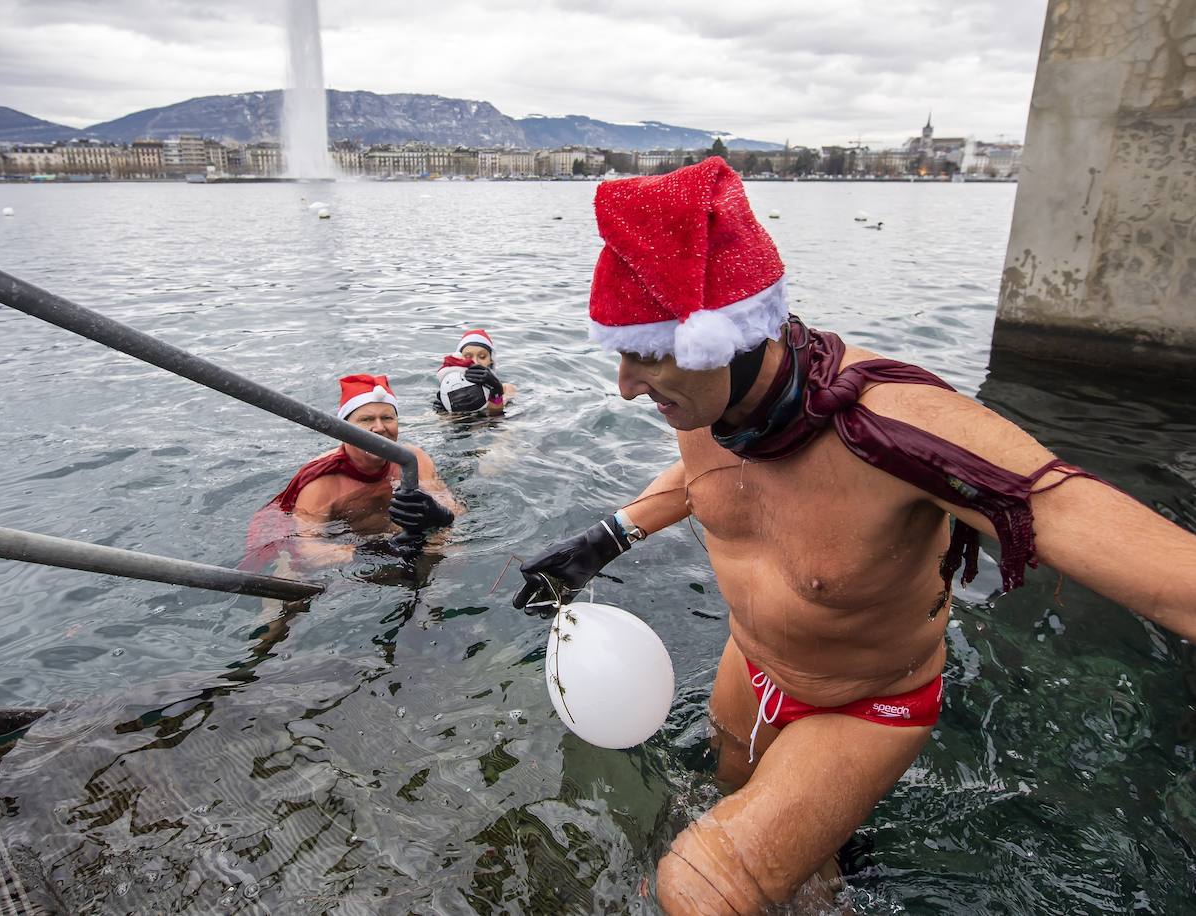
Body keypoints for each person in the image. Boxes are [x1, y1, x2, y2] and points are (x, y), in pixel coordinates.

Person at [510, 157, 1196, 914]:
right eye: (623, 352)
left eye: (646, 354)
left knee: (699, 883)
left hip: (865, 705)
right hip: (750, 667)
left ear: (728, 338)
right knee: (736, 811)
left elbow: (1076, 517)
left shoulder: (899, 429)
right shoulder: (706, 402)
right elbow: (712, 482)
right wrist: (608, 536)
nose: (626, 388)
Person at [242, 373, 458, 573]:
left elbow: (454, 509)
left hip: (402, 544)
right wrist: (370, 553)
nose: (379, 428)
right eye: (366, 420)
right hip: (352, 559)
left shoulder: (415, 459)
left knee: (452, 555)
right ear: (343, 429)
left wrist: (439, 514)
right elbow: (307, 549)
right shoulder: (322, 483)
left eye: (387, 418)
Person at [434, 329, 517, 415]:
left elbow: (496, 414)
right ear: (460, 359)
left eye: (482, 356)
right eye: (468, 357)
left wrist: (496, 392)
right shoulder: (450, 388)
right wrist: (442, 410)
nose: (475, 362)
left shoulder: (506, 389)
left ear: (491, 360)